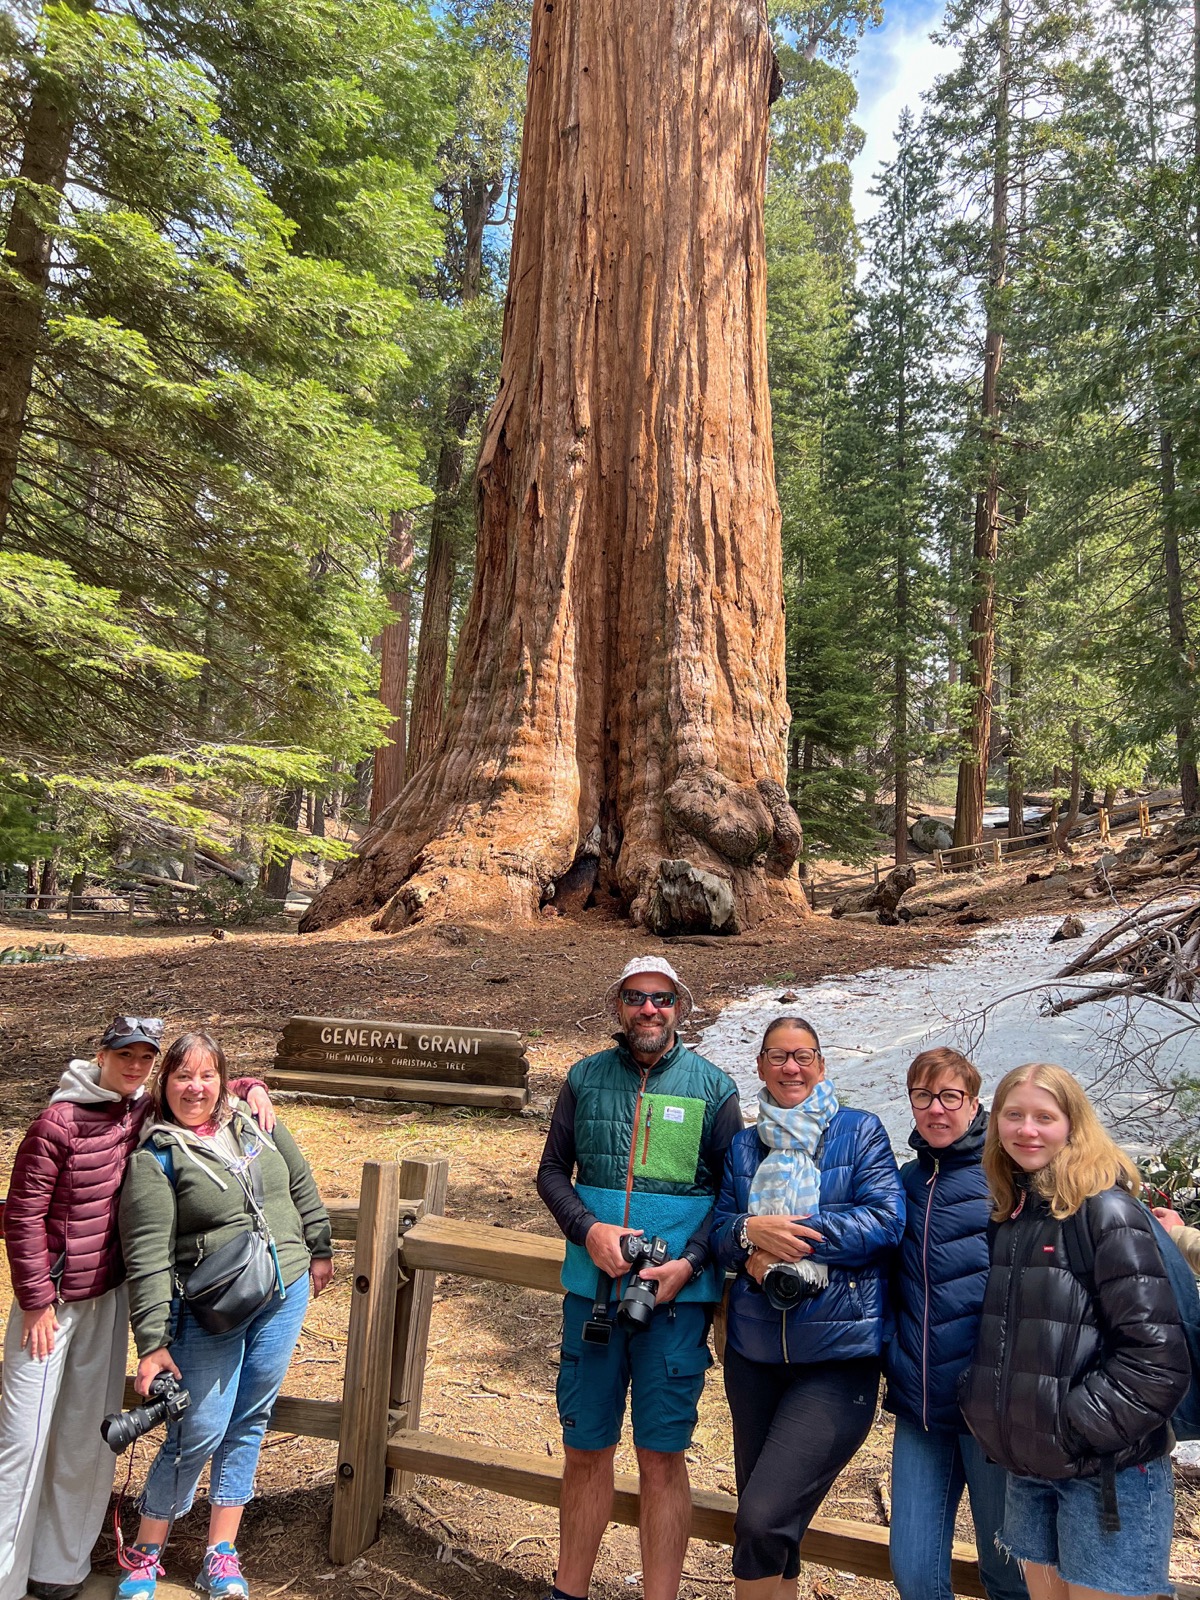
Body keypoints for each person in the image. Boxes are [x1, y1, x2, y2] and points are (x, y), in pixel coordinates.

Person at [0, 1017, 273, 1600]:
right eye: (124, 1053)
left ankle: (59, 1571)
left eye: (144, 1057)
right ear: (101, 1053)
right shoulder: (56, 1122)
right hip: (48, 1309)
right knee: (23, 1443)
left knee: (82, 1439)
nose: (134, 1065)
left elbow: (200, 1086)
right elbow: (21, 1215)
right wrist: (34, 1299)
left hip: (106, 1300)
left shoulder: (136, 1114)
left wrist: (250, 1084)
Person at [535, 957, 742, 1600]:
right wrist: (589, 1232)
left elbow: (731, 1197)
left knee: (661, 1456)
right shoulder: (585, 1079)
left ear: (681, 1006)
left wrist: (689, 1264)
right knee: (585, 1449)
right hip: (591, 1298)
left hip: (676, 1305)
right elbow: (550, 1173)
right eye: (635, 999)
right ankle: (568, 1592)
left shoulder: (714, 1088)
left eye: (660, 999)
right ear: (619, 1007)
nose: (648, 1010)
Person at [959, 1063, 1190, 1600]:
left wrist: (1073, 1423)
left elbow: (1158, 1360)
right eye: (1012, 1115)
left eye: (1044, 1116)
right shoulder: (1014, 1215)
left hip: (1104, 1471)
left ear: (1073, 1125)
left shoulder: (1105, 1212)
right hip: (1031, 1467)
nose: (1026, 1129)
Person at [116, 1032, 332, 1600]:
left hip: (284, 1289)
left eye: (207, 1075)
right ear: (164, 1085)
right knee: (199, 1428)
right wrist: (153, 1340)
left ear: (223, 1080)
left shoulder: (253, 1120)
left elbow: (301, 1181)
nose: (196, 1087)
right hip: (211, 1308)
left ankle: (221, 1552)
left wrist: (320, 1245)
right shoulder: (156, 1155)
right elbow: (147, 1256)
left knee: (249, 1420)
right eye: (183, 1076)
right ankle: (145, 1553)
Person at [710, 1015, 903, 1600]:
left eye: (803, 1056)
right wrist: (748, 1237)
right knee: (768, 1527)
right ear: (761, 1065)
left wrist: (791, 1237)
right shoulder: (745, 1146)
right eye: (777, 1056)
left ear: (821, 1064)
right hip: (755, 1352)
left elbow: (886, 1220)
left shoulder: (859, 1130)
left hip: (836, 1357)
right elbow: (718, 1229)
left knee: (763, 1517)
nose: (790, 1067)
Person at [884, 1048, 1027, 1600]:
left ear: (973, 1102)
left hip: (993, 1411)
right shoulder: (906, 1182)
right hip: (922, 1407)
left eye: (950, 1097)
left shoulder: (1011, 1177)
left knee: (1007, 1575)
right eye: (923, 1096)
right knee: (916, 1574)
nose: (936, 1110)